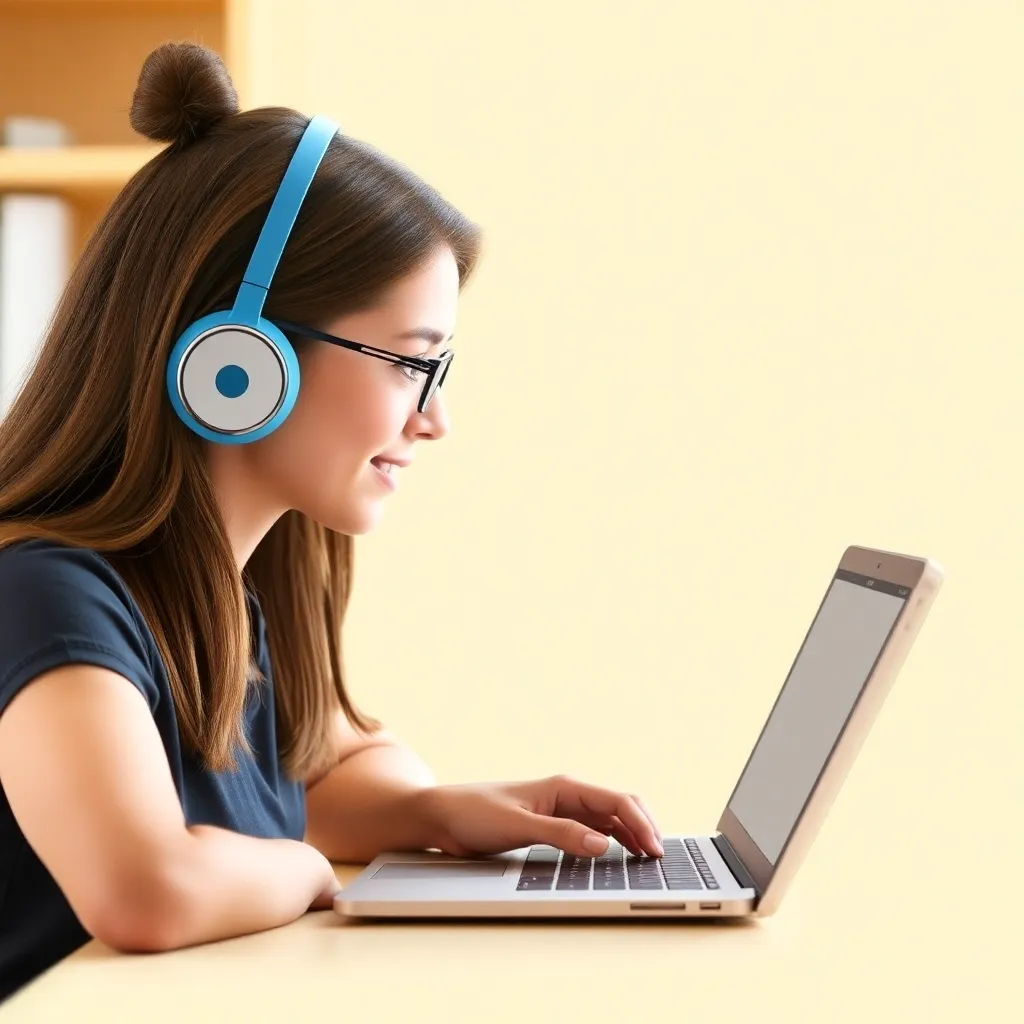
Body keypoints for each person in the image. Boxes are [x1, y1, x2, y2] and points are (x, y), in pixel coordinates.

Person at [0, 41, 663, 1002]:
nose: (433, 420)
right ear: (239, 359)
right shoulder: (48, 594)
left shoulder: (220, 593)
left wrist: (441, 810)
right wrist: (306, 872)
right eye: (408, 363)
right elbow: (145, 890)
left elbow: (317, 771)